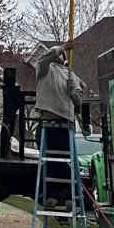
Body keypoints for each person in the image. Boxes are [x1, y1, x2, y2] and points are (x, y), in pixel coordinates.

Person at [34, 46, 83, 203]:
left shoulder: (71, 75)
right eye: (57, 53)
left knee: (66, 163)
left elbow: (79, 101)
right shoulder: (44, 69)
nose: (59, 55)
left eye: (61, 53)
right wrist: (61, 47)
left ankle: (67, 195)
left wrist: (74, 91)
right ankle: (50, 195)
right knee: (48, 161)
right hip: (47, 122)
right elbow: (43, 59)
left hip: (65, 122)